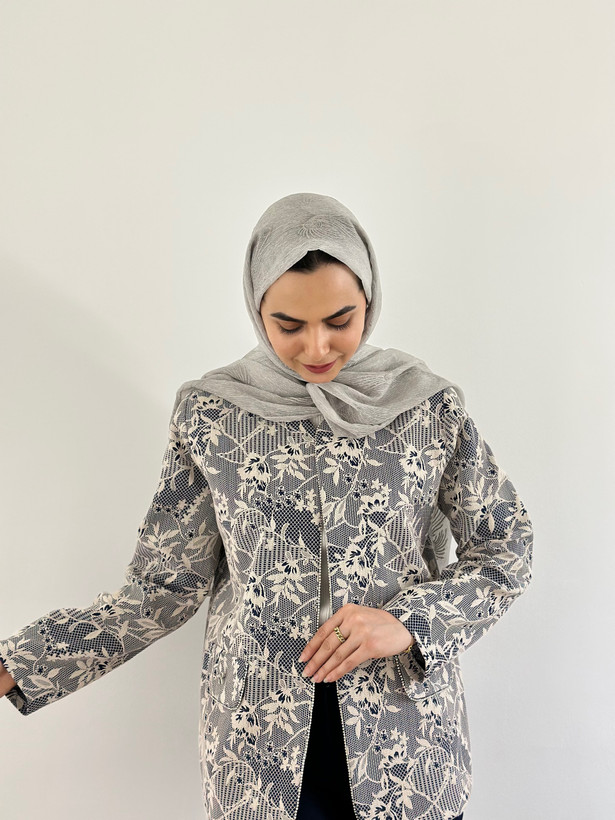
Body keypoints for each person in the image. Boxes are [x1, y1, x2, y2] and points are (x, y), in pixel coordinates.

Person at [0, 192, 533, 820]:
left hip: (407, 746)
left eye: (340, 319)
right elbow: (161, 590)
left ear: (370, 300)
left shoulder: (426, 407)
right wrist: (19, 663)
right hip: (260, 754)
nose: (317, 347)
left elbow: (505, 547)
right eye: (289, 325)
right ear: (257, 309)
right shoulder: (213, 415)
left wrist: (409, 621)